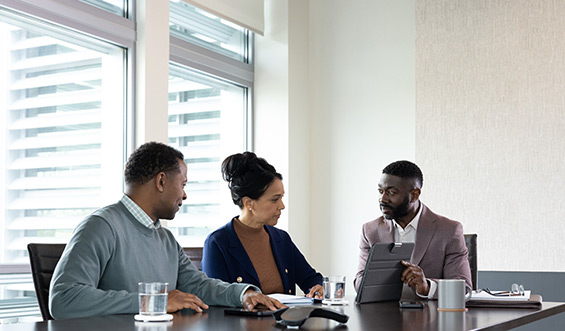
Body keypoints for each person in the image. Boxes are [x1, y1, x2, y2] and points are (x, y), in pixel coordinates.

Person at [49, 142, 284, 320]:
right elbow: (64, 299)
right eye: (182, 184)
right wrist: (154, 302)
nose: (184, 194)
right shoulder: (101, 226)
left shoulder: (165, 238)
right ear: (161, 182)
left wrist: (244, 294)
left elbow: (198, 285)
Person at [201, 152, 323, 298]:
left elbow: (310, 278)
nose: (282, 206)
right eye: (274, 199)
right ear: (249, 203)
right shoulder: (217, 243)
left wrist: (318, 288)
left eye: (281, 198)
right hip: (239, 322)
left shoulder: (281, 238)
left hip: (284, 320)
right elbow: (216, 298)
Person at [354, 160, 471, 299]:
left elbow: (464, 289)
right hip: (382, 316)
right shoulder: (370, 231)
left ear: (415, 195)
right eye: (380, 191)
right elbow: (359, 283)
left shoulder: (449, 230)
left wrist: (427, 286)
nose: (382, 199)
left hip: (431, 317)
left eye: (391, 192)